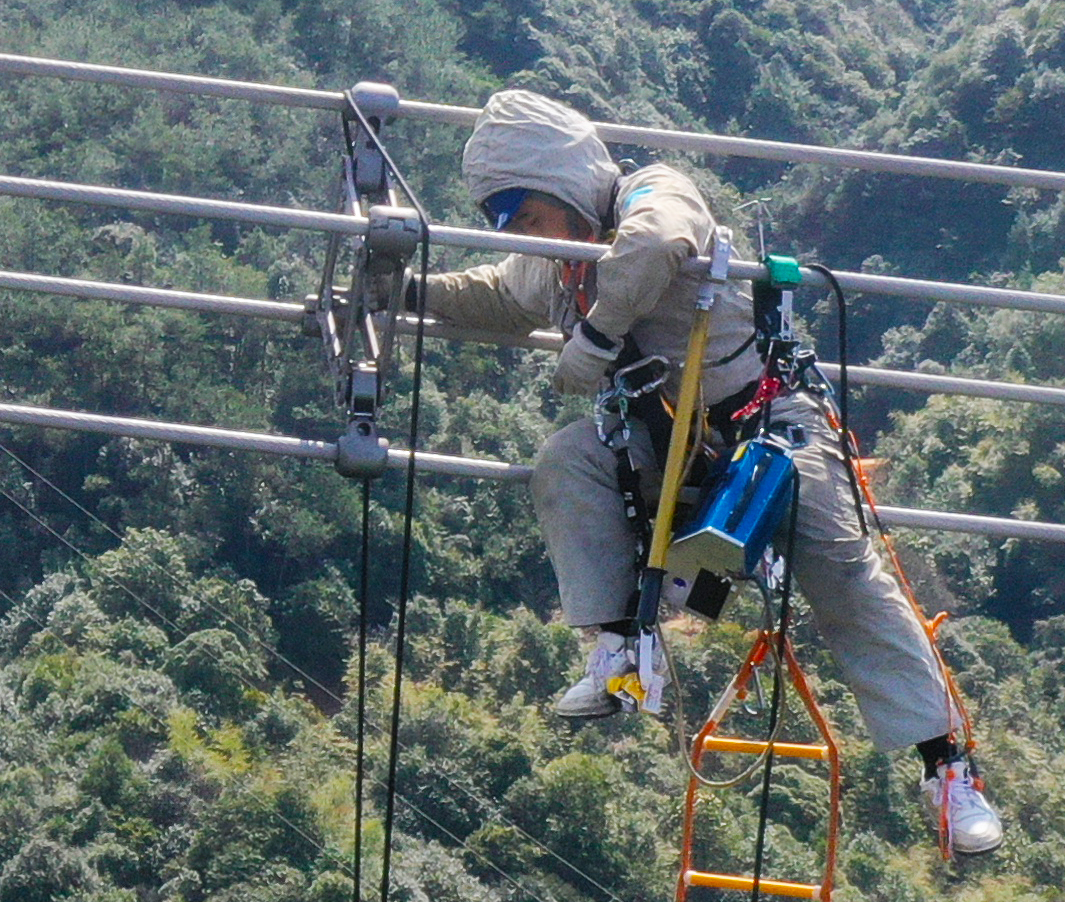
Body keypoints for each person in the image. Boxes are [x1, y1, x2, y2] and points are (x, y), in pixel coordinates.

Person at [413, 89, 1006, 857]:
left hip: (765, 429)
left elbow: (659, 243)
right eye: (516, 227)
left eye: (531, 218)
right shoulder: (558, 264)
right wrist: (406, 287)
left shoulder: (653, 193)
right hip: (659, 449)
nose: (532, 240)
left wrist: (596, 337)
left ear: (566, 190)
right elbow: (495, 295)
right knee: (568, 461)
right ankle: (622, 650)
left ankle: (947, 768)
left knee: (843, 572)